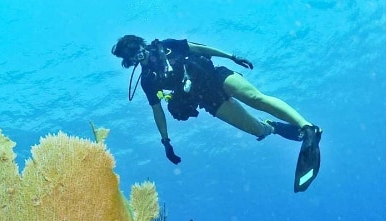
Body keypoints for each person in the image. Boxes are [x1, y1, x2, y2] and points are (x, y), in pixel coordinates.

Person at [111, 35, 323, 192]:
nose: (138, 53)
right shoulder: (148, 80)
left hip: (216, 76)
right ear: (129, 61)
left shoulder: (167, 45)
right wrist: (165, 141)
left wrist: (232, 57)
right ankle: (273, 127)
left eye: (136, 48)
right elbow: (157, 111)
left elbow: (199, 48)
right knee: (256, 130)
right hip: (207, 100)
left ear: (141, 43)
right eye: (131, 54)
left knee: (255, 98)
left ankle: (308, 128)